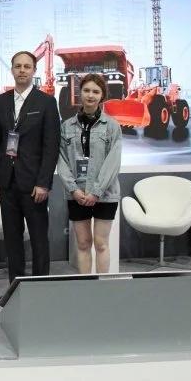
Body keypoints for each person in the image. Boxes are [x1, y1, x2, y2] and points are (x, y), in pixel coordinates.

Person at [0, 51, 60, 293]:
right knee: (12, 241)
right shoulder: (1, 101)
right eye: (18, 66)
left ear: (34, 71)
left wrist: (44, 183)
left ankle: (40, 291)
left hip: (34, 185)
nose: (22, 70)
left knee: (39, 239)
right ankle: (16, 290)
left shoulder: (46, 102)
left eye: (27, 66)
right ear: (12, 69)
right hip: (7, 184)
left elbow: (51, 146)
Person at [57, 74, 122, 274]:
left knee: (101, 244)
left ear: (102, 95)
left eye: (96, 91)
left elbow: (113, 162)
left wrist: (96, 191)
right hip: (77, 194)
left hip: (105, 194)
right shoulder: (66, 126)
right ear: (80, 93)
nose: (90, 95)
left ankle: (102, 288)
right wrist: (74, 189)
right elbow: (61, 160)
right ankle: (85, 286)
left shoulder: (112, 126)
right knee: (83, 243)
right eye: (86, 90)